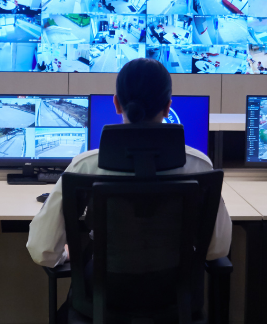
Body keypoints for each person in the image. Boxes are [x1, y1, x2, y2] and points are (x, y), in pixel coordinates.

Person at [26, 58, 231, 317]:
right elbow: (218, 249)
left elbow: (42, 250)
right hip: (174, 301)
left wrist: (68, 254)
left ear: (115, 103)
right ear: (168, 107)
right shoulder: (200, 166)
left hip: (104, 300)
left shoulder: (85, 166)